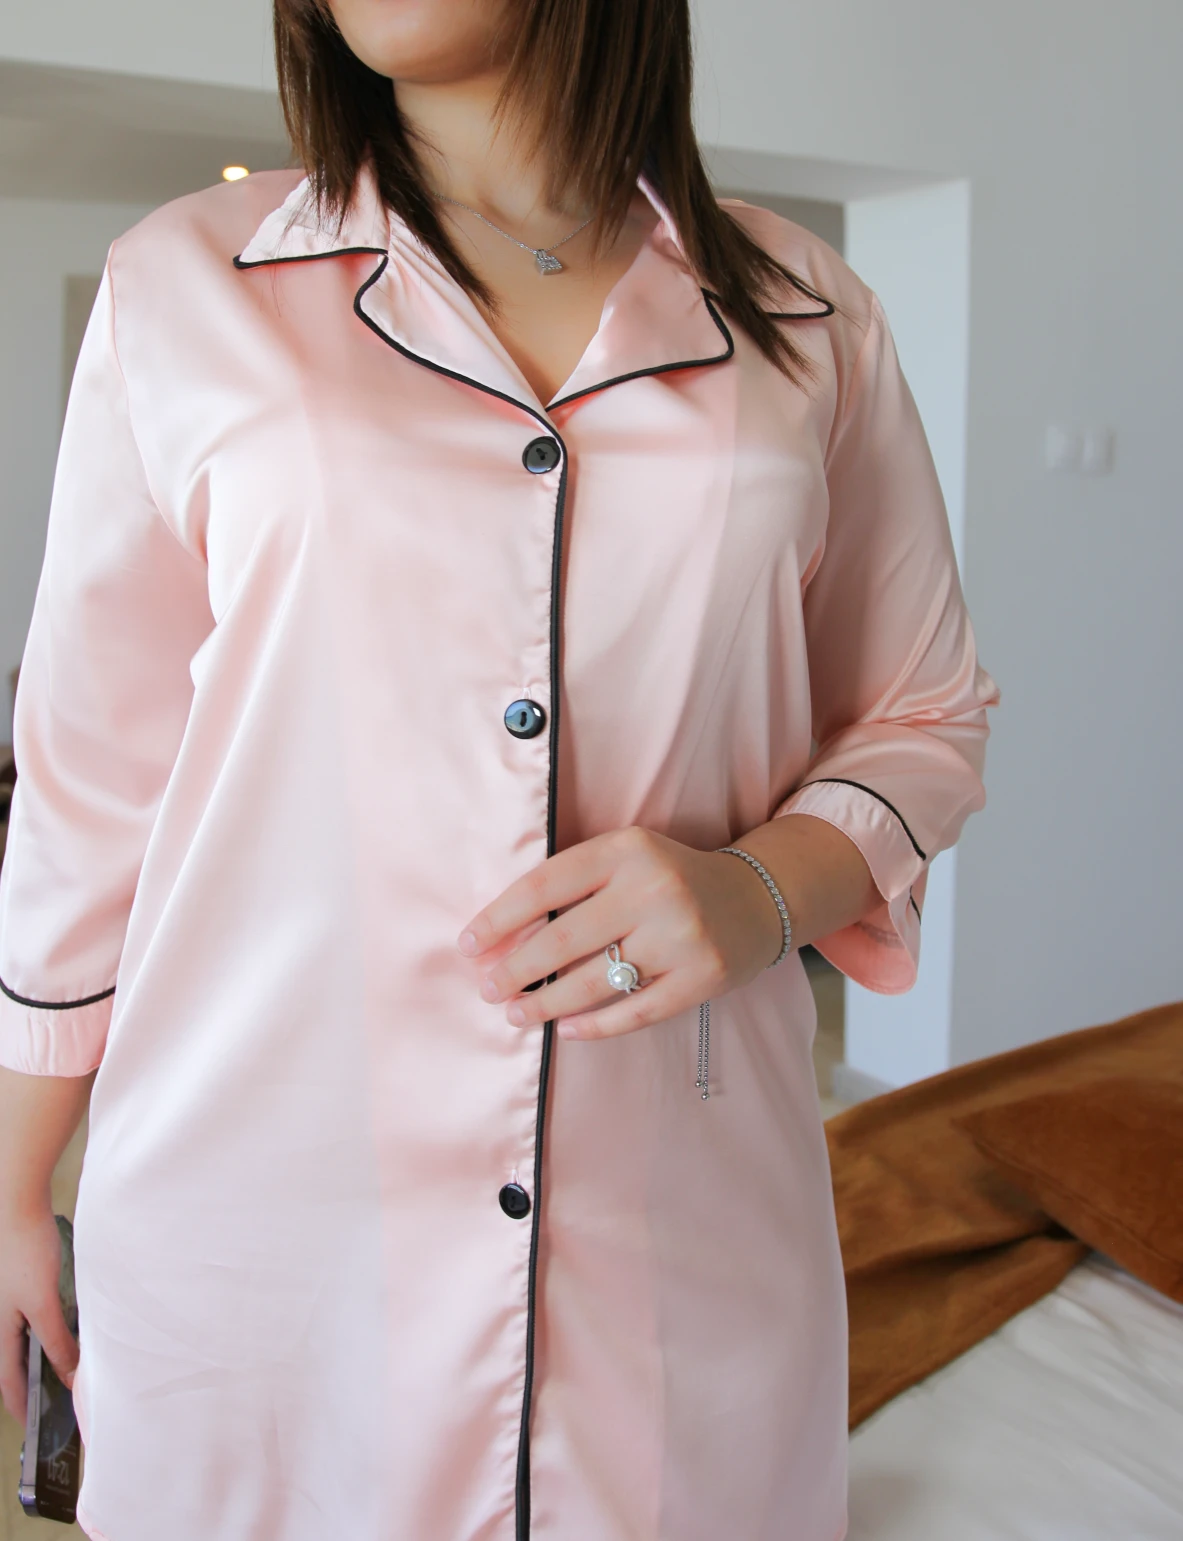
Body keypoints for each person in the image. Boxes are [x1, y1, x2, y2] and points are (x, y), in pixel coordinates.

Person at [0, 1, 1000, 1537]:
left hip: (673, 1213)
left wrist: (757, 893)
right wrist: (16, 1181)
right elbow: (90, 779)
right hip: (258, 1213)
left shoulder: (807, 315)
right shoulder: (182, 284)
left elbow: (922, 712)